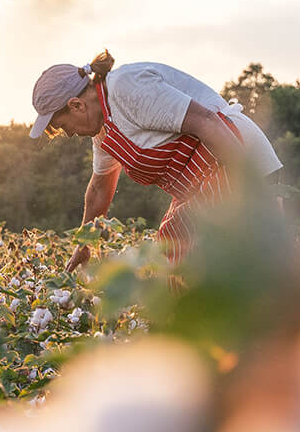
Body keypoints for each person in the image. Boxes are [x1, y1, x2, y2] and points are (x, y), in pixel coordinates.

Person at [29, 51, 283, 274]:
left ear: (76, 105)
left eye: (62, 126)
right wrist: (84, 245)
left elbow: (208, 123)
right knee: (176, 259)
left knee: (213, 271)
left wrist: (254, 191)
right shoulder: (104, 131)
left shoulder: (126, 87)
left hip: (237, 160)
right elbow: (99, 189)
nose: (69, 134)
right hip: (204, 186)